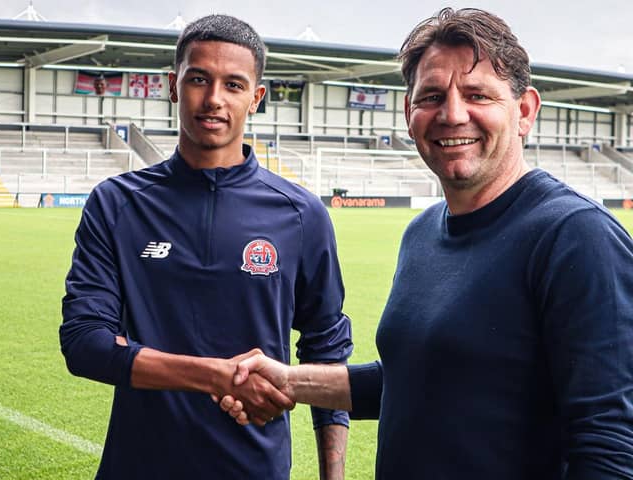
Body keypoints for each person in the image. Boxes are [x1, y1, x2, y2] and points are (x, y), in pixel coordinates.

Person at [221, 7, 633, 479]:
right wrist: (291, 381)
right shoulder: (422, 232)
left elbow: (609, 448)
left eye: (478, 94)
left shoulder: (575, 237)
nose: (452, 114)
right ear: (409, 113)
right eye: (432, 96)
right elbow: (416, 379)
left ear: (524, 111)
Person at [59, 14, 353, 480]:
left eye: (233, 84)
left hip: (255, 468)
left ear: (255, 98)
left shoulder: (301, 214)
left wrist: (332, 477)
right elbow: (84, 343)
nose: (214, 99)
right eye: (199, 79)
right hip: (137, 467)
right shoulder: (116, 205)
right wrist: (215, 375)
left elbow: (326, 349)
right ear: (173, 86)